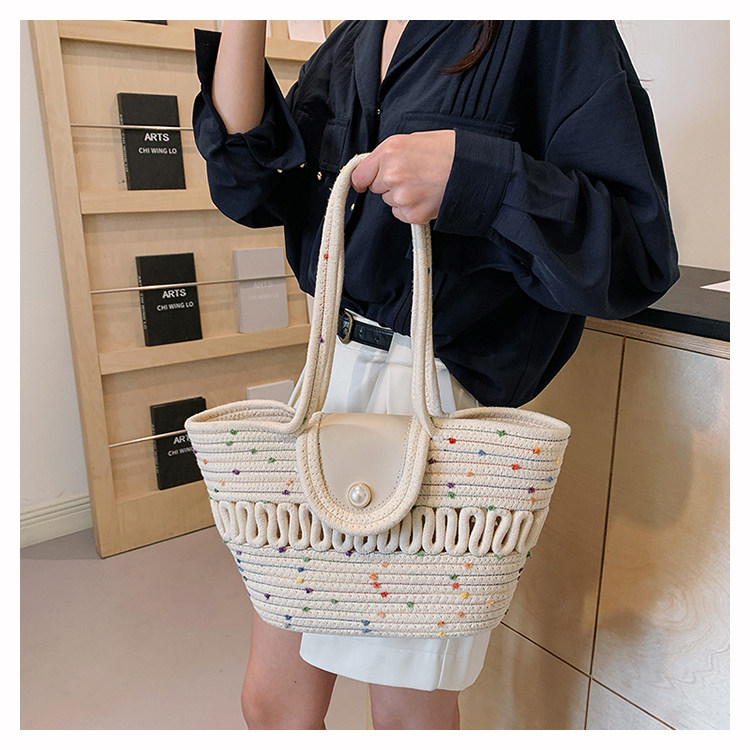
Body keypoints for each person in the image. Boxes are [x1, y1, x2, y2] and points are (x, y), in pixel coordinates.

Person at [192, 20, 679, 730]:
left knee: (404, 718)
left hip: (432, 401)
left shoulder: (549, 26)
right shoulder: (355, 36)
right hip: (328, 378)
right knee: (272, 706)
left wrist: (475, 176)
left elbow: (636, 251)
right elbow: (250, 187)